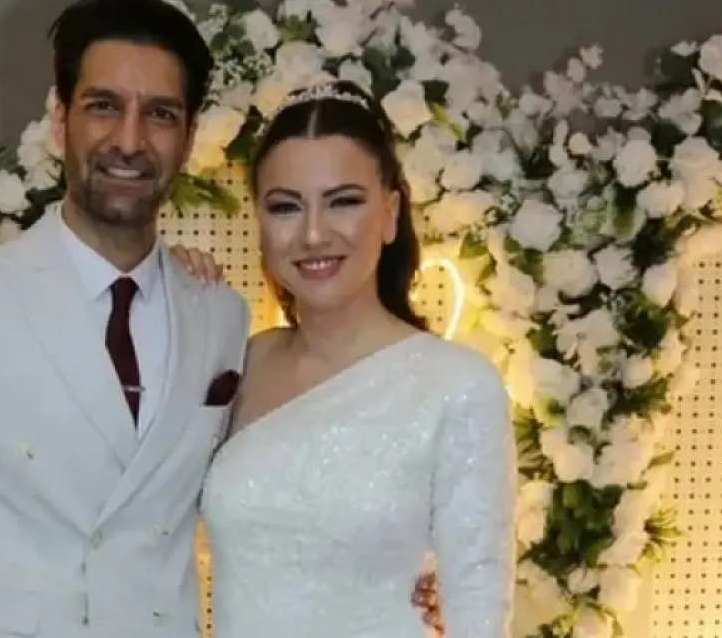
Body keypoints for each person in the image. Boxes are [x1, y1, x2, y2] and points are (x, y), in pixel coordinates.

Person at [0, 0, 438, 638]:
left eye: (160, 114)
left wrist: (405, 573)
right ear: (60, 120)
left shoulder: (219, 316)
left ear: (188, 139)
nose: (129, 140)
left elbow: (276, 489)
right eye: (104, 106)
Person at [174, 80, 516, 637]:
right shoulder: (244, 361)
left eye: (343, 202)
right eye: (286, 207)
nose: (313, 233)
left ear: (391, 213)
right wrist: (166, 291)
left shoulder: (457, 385)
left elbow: (480, 610)